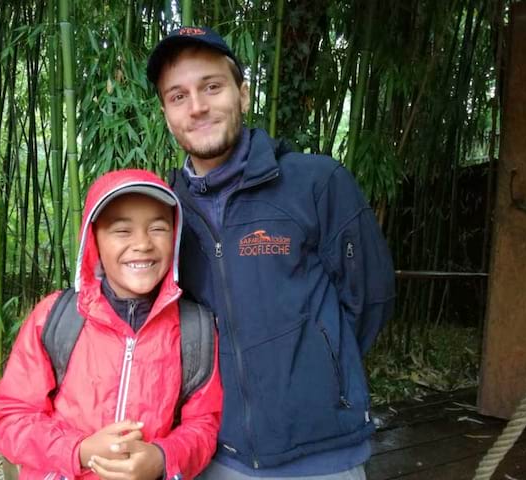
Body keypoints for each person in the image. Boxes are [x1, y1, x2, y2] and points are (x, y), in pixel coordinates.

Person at [146, 26, 395, 480]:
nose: (197, 106)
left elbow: (369, 299)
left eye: (212, 86)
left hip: (322, 454)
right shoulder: (164, 212)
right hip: (213, 452)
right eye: (178, 96)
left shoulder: (317, 182)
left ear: (243, 94)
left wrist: (319, 370)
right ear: (166, 114)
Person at [0, 169, 223, 480]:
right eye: (122, 231)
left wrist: (163, 458)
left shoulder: (195, 328)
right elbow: (8, 415)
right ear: (94, 239)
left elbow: (203, 424)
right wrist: (79, 451)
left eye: (158, 228)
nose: (142, 244)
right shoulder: (57, 317)